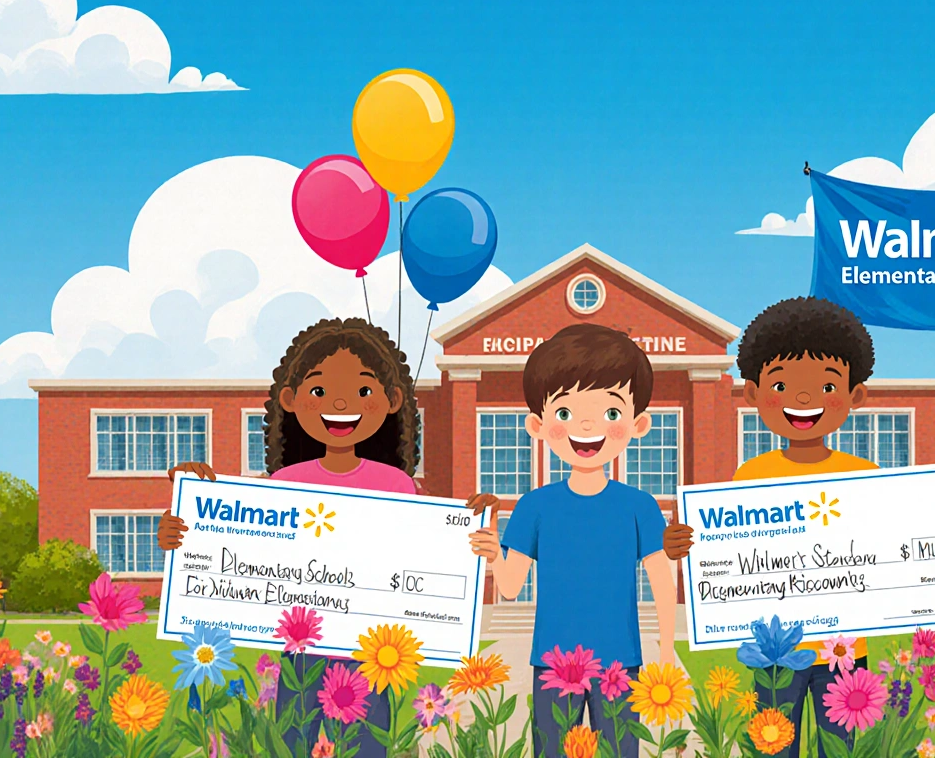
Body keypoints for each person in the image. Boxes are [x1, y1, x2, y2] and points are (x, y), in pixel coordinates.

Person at [661, 297, 935, 758]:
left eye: (825, 386)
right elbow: (721, 557)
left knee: (838, 749)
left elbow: (909, 539)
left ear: (855, 396)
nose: (803, 400)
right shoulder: (750, 477)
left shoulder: (865, 473)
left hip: (842, 654)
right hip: (774, 653)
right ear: (752, 394)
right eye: (782, 384)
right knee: (773, 746)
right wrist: (682, 545)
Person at [157, 317, 422, 758]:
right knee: (296, 746)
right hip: (301, 651)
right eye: (319, 391)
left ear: (392, 401)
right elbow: (240, 557)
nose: (340, 402)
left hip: (372, 654)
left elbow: (418, 562)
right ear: (291, 400)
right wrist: (185, 531)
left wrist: (471, 540)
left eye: (362, 391)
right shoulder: (282, 482)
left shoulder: (398, 486)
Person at [467, 324, 677, 758]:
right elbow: (509, 586)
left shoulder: (639, 506)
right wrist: (493, 554)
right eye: (565, 413)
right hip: (553, 661)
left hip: (619, 662)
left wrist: (668, 650)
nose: (586, 425)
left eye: (610, 413)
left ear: (638, 424)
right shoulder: (534, 506)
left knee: (623, 752)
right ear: (538, 425)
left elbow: (661, 578)